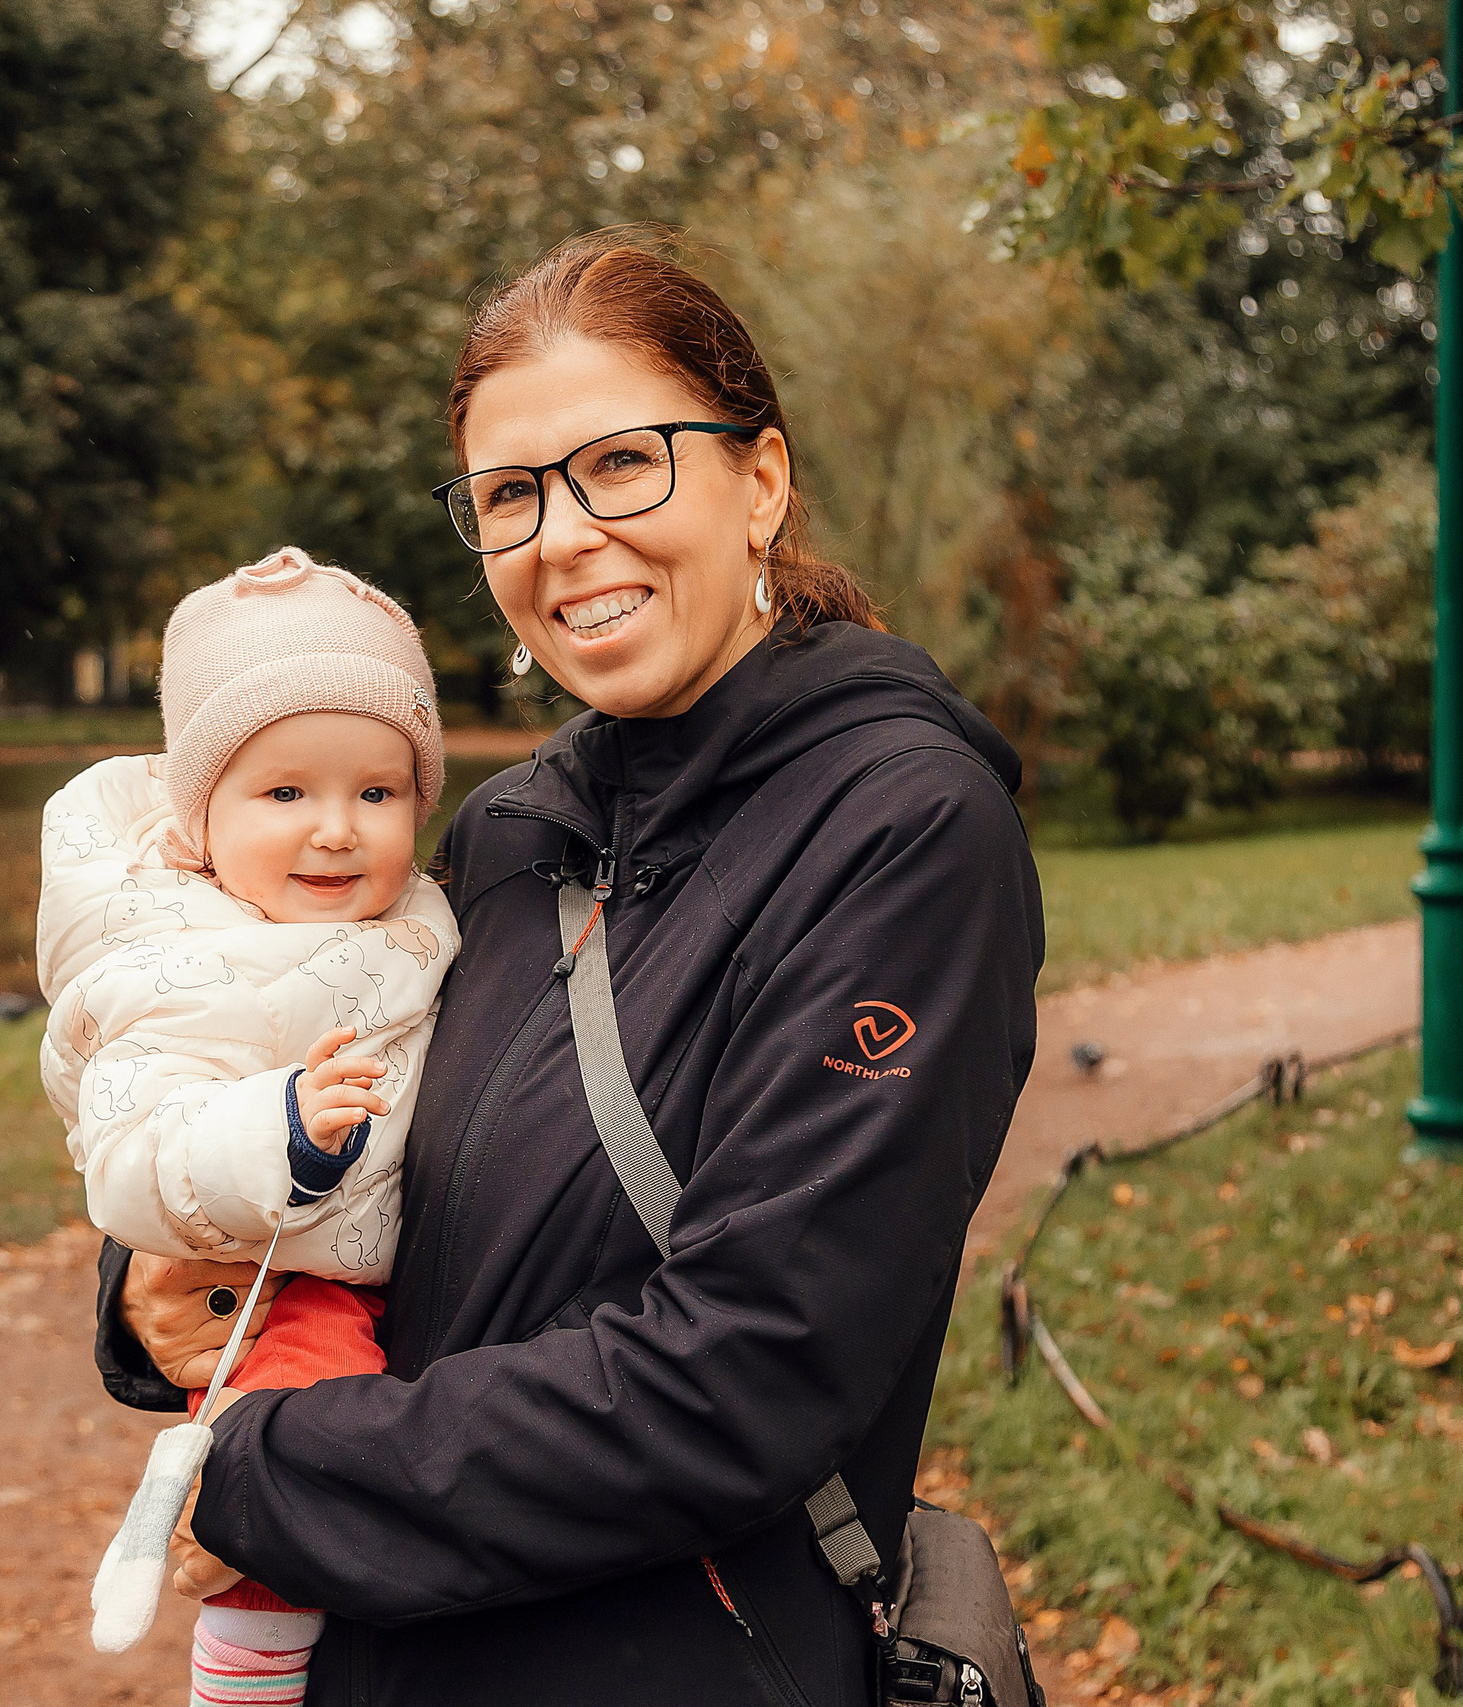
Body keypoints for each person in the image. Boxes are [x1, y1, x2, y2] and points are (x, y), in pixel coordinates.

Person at [94, 232, 1045, 1705]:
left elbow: (748, 1371)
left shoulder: (905, 830)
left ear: (763, 483)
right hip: (397, 1647)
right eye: (512, 496)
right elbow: (304, 1077)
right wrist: (156, 1268)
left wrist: (268, 1475)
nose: (563, 536)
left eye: (623, 464)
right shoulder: (509, 830)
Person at [37, 547, 460, 1705]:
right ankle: (242, 1683)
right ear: (200, 816)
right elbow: (134, 1154)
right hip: (288, 1274)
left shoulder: (426, 912)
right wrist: (281, 1133)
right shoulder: (183, 964)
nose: (336, 830)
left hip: (389, 1273)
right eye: (285, 794)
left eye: (376, 794)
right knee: (289, 1446)